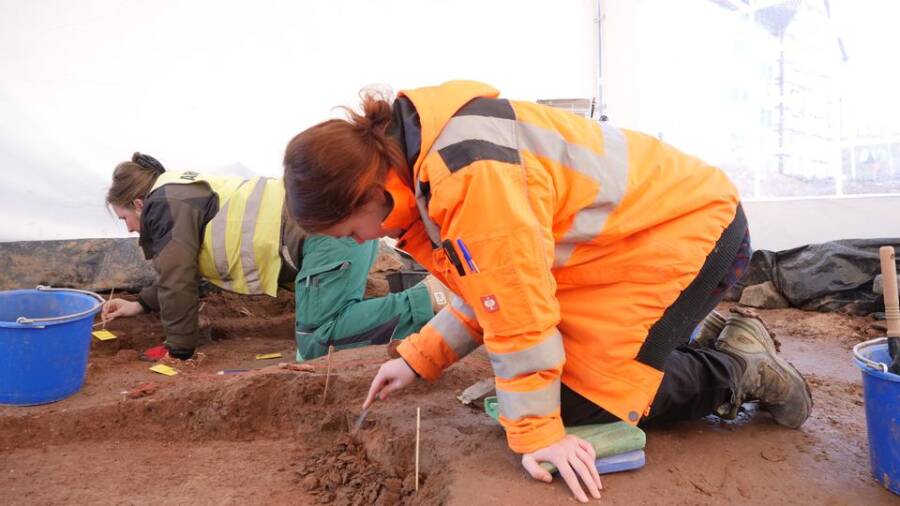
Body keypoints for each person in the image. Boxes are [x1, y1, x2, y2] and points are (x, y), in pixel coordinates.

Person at [281, 81, 814, 502]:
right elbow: (487, 281)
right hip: (620, 250)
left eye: (353, 229)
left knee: (580, 407)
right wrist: (419, 358)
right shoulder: (426, 163)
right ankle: (692, 336)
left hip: (690, 234)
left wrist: (538, 434)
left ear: (371, 191)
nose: (365, 240)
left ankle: (742, 369)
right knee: (547, 385)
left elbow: (515, 310)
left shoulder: (469, 177)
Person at [102, 152, 448, 362]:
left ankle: (427, 297)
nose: (131, 229)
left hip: (327, 234)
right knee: (326, 325)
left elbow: (177, 282)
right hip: (333, 231)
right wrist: (142, 305)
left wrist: (179, 351)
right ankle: (413, 304)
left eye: (126, 219)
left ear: (138, 205)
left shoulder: (164, 205)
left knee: (317, 341)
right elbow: (181, 269)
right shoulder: (178, 189)